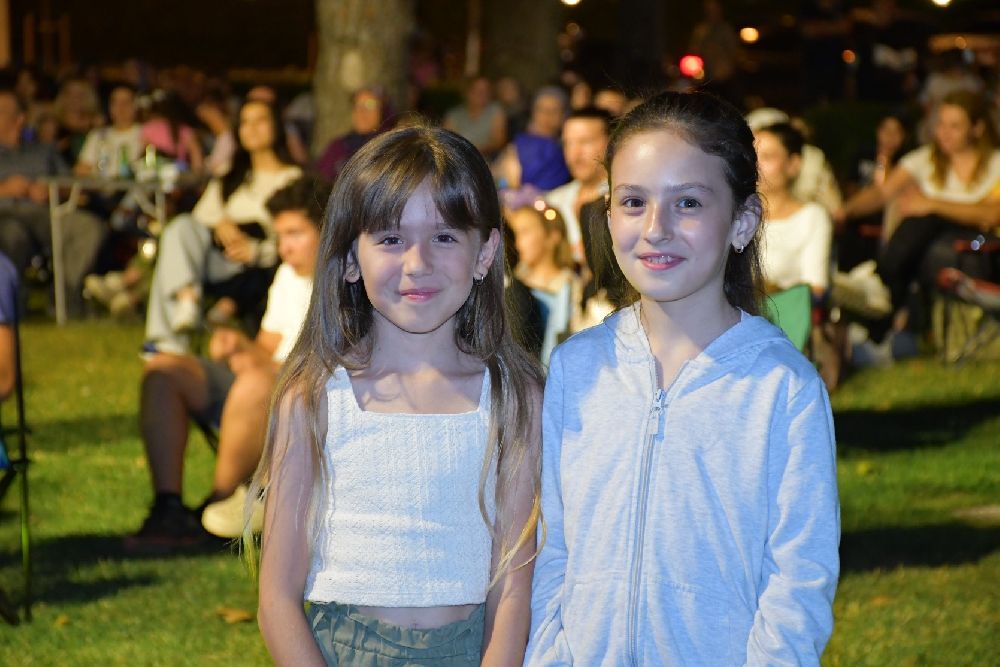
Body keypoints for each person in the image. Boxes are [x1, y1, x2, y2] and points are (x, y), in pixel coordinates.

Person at [524, 91, 840, 665]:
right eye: (633, 201)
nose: (655, 228)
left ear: (742, 221)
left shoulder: (782, 387)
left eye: (688, 203)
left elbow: (799, 577)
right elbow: (553, 546)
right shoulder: (577, 367)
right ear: (608, 214)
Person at [251, 126, 543, 665]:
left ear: (485, 253)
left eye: (445, 237)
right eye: (390, 239)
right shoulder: (314, 397)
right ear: (350, 258)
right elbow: (277, 598)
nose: (417, 263)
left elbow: (513, 589)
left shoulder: (514, 398)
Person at [125, 176, 328, 552]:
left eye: (295, 234)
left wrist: (263, 368)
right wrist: (238, 345)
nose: (284, 247)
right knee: (163, 370)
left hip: (301, 404)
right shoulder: (288, 275)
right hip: (259, 390)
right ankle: (168, 509)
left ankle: (219, 509)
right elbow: (267, 348)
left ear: (328, 229)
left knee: (256, 382)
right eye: (280, 235)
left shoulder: (345, 282)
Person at [835, 90, 1000, 349]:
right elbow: (882, 192)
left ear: (977, 128)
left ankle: (877, 298)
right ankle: (882, 320)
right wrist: (844, 212)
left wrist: (932, 204)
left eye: (955, 126)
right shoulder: (925, 160)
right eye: (941, 124)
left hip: (982, 252)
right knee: (917, 229)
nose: (944, 133)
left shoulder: (996, 164)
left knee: (924, 221)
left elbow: (992, 214)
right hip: (931, 254)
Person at [143, 98, 300, 354]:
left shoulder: (292, 178)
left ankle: (167, 339)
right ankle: (184, 305)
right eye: (245, 122)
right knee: (178, 228)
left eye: (260, 121)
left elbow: (299, 234)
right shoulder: (231, 175)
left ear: (276, 126)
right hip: (218, 256)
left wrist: (257, 250)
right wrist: (220, 224)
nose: (252, 129)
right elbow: (199, 220)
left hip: (260, 263)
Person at [0, 88, 105, 317]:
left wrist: (51, 190)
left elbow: (70, 183)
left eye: (3, 112)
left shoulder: (43, 151)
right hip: (6, 216)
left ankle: (64, 295)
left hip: (48, 214)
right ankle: (11, 306)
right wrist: (5, 189)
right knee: (11, 236)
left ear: (19, 119)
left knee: (89, 227)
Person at [756, 122, 833, 299]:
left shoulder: (811, 217)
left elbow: (815, 289)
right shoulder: (735, 212)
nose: (755, 164)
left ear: (793, 164)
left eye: (767, 157)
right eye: (752, 155)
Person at [508, 203, 577, 364]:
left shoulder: (570, 286)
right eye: (513, 233)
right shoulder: (511, 286)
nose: (516, 241)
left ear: (552, 236)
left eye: (524, 232)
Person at [544, 106, 612, 264]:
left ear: (611, 142)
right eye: (568, 144)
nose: (574, 154)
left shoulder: (625, 200)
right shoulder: (554, 201)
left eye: (585, 142)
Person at [493, 86, 570, 191]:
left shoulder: (563, 151)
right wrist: (505, 182)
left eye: (553, 110)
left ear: (563, 115)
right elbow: (498, 176)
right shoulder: (521, 141)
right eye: (541, 109)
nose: (546, 116)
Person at [313, 88, 388, 184]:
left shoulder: (389, 145)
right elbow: (319, 179)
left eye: (370, 105)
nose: (361, 112)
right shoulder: (338, 147)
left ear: (382, 110)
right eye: (357, 105)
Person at [74, 84, 143, 177]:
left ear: (135, 106)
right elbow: (81, 169)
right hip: (100, 185)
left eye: (126, 102)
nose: (120, 108)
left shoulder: (146, 134)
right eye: (116, 103)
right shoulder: (97, 135)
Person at [443, 76, 507, 158]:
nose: (482, 94)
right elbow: (446, 141)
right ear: (467, 91)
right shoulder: (454, 115)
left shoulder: (495, 110)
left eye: (486, 91)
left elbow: (498, 141)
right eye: (477, 90)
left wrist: (475, 153)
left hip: (485, 159)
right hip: (458, 159)